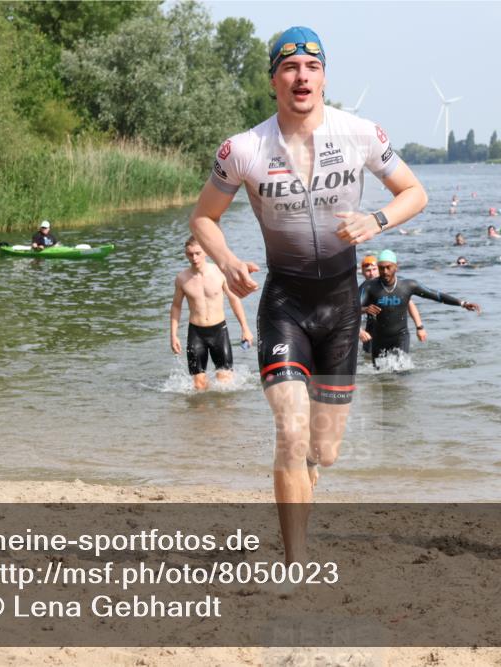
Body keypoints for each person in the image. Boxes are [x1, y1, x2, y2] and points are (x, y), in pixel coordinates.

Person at [188, 26, 427, 562]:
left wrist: (376, 220)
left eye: (311, 68)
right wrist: (226, 262)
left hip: (343, 309)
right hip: (285, 304)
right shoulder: (244, 149)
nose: (301, 77)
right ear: (274, 79)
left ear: (324, 76)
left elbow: (415, 192)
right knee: (291, 432)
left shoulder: (361, 133)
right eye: (290, 68)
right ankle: (295, 556)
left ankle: (308, 477)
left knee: (325, 450)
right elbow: (203, 217)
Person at [360, 250, 480, 366]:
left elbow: (436, 295)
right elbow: (349, 309)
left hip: (400, 337)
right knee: (380, 376)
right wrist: (364, 310)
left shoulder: (408, 286)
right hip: (378, 338)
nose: (385, 271)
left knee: (401, 373)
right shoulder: (369, 287)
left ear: (396, 267)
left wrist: (463, 303)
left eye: (388, 267)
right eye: (381, 268)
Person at [170, 237, 253, 390]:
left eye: (197, 253)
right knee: (199, 385)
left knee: (225, 383)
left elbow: (234, 300)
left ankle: (221, 414)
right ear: (186, 255)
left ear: (206, 252)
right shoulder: (182, 278)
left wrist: (245, 328)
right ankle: (203, 413)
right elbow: (176, 306)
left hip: (219, 331)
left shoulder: (219, 273)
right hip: (196, 332)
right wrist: (173, 335)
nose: (194, 258)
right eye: (190, 254)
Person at [358, 255, 420, 354]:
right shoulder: (364, 290)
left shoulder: (395, 285)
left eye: (374, 269)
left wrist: (419, 327)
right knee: (369, 360)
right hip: (372, 332)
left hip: (396, 332)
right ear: (362, 272)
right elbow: (350, 312)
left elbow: (410, 305)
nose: (371, 273)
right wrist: (359, 331)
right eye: (368, 270)